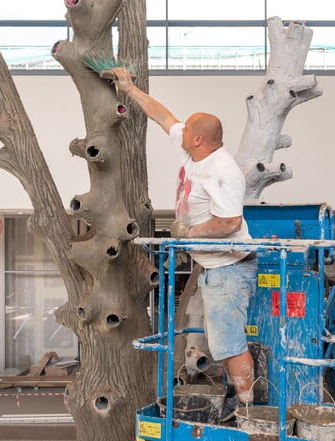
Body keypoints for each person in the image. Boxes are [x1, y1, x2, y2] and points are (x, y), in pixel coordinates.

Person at [113, 67, 258, 419]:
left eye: (187, 129)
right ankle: (238, 400)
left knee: (228, 342)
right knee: (221, 338)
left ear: (199, 140)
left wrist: (188, 233)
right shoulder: (192, 149)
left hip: (229, 266)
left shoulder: (223, 171)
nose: (181, 130)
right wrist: (129, 89)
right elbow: (164, 116)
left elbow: (229, 222)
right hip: (212, 266)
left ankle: (249, 411)